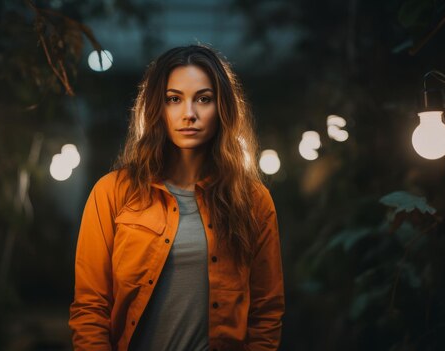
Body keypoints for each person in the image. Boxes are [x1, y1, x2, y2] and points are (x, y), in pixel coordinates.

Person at [69, 45, 284, 351]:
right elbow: (90, 307)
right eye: (174, 99)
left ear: (222, 108)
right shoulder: (113, 193)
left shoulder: (253, 200)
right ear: (157, 107)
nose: (189, 114)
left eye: (204, 99)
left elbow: (266, 311)